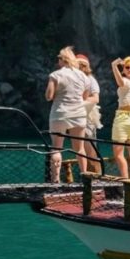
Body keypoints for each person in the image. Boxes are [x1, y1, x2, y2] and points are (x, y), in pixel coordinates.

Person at [45, 46, 91, 183]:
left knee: (56, 148)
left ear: (62, 60)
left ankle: (55, 180)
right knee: (80, 148)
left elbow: (49, 96)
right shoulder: (83, 76)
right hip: (78, 114)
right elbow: (85, 97)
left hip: (60, 114)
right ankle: (85, 177)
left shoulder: (55, 75)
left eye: (58, 58)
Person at [76, 54, 103, 174]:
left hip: (87, 117)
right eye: (78, 64)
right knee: (78, 148)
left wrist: (78, 102)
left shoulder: (91, 80)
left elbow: (96, 98)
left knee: (90, 150)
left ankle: (97, 179)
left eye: (82, 65)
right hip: (75, 117)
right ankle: (84, 178)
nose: (80, 67)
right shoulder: (73, 78)